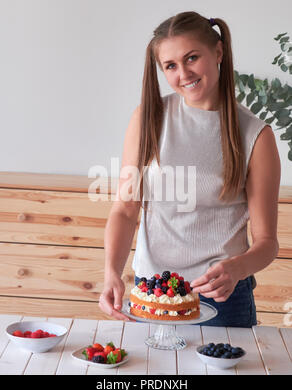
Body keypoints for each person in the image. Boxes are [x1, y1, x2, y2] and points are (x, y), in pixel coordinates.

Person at [99, 11, 281, 327]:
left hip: (221, 300)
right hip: (152, 293)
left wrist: (236, 269)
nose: (183, 73)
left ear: (219, 52)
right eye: (170, 66)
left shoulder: (256, 135)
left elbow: (267, 242)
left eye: (192, 57)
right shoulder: (148, 118)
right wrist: (111, 272)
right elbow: (126, 210)